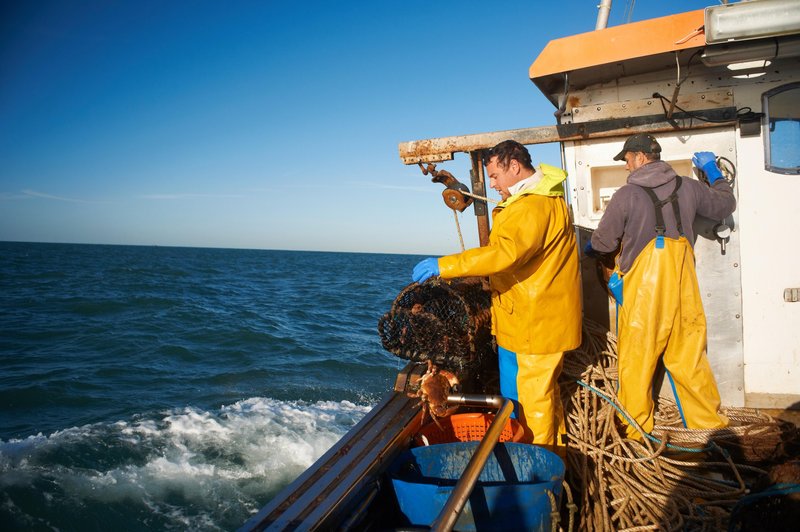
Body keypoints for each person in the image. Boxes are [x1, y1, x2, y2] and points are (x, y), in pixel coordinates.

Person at [412, 140, 582, 451]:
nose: (492, 184)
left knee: (534, 405)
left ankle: (539, 465)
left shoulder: (532, 206)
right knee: (539, 397)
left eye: (494, 175)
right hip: (532, 319)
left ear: (514, 167)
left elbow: (504, 254)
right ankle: (553, 456)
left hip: (535, 324)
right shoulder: (544, 199)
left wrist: (444, 265)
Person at [585, 133, 736, 440]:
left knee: (637, 358)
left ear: (641, 156)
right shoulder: (690, 186)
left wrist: (590, 247)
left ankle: (635, 430)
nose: (627, 167)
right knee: (690, 355)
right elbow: (724, 205)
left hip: (645, 291)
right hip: (684, 284)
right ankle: (707, 426)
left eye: (627, 160)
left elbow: (603, 242)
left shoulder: (626, 195)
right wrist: (713, 172)